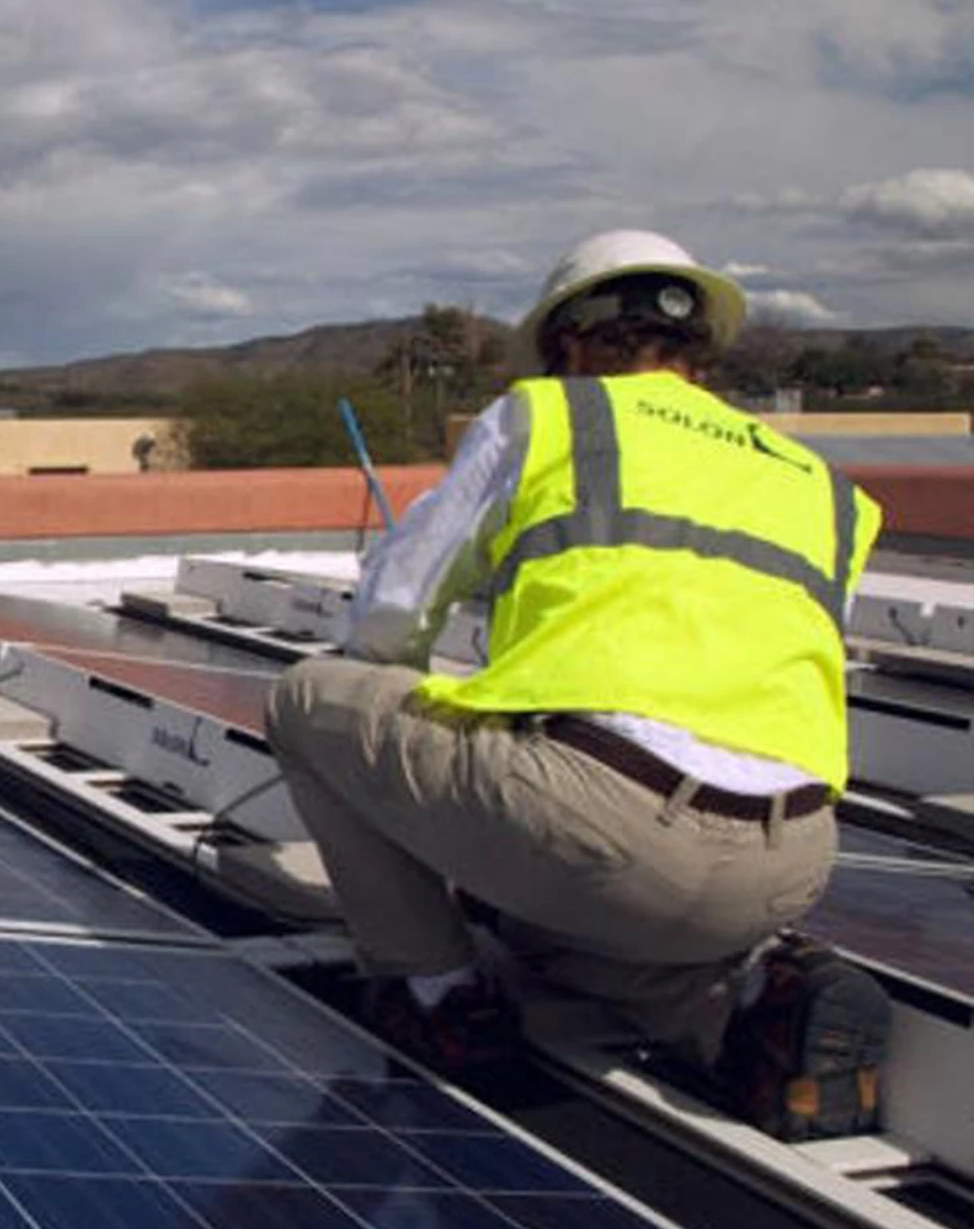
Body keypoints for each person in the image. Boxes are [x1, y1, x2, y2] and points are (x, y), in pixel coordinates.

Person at [265, 230, 888, 1139]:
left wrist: (406, 788)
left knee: (311, 701)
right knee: (549, 916)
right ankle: (738, 1007)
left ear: (567, 344)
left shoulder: (546, 419)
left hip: (599, 827)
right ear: (698, 353)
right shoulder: (822, 484)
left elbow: (390, 620)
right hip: (789, 861)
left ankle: (436, 998)